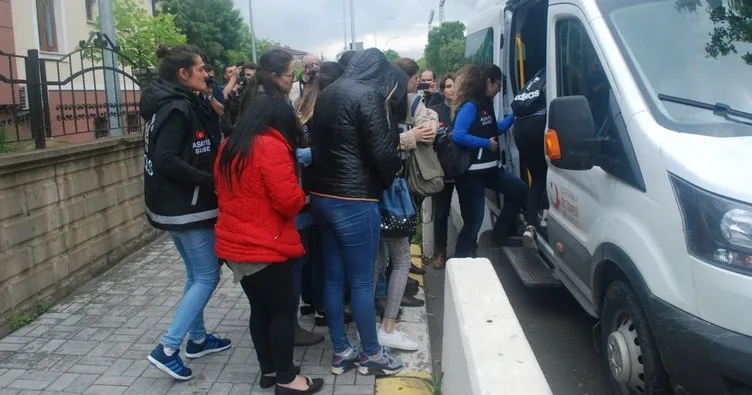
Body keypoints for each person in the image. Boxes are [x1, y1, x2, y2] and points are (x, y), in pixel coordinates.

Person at [214, 94, 324, 395]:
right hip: (264, 245)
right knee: (281, 311)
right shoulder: (271, 146)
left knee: (260, 310)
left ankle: (270, 371)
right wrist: (303, 195)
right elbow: (288, 202)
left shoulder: (229, 145)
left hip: (235, 245)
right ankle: (287, 380)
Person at [308, 48, 404, 376]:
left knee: (334, 276)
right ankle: (372, 355)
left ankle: (341, 351)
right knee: (362, 281)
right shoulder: (369, 95)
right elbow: (382, 151)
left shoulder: (329, 91)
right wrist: (392, 172)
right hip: (355, 199)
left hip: (321, 195)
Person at [140, 44, 231, 381]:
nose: (208, 73)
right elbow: (165, 159)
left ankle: (198, 340)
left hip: (176, 206)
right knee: (207, 276)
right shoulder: (176, 107)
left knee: (196, 275)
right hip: (186, 208)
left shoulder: (174, 101)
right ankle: (167, 347)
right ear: (183, 73)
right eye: (201, 68)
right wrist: (210, 181)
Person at [372, 57, 438, 352]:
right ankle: (387, 326)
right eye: (411, 81)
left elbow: (431, 126)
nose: (413, 87)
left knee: (378, 260)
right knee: (396, 259)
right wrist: (409, 136)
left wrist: (427, 124)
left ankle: (374, 323)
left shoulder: (400, 103)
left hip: (387, 190)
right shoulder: (378, 104)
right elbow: (378, 146)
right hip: (387, 192)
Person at [294, 61, 352, 328]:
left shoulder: (301, 106)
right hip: (322, 187)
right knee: (322, 255)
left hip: (303, 188)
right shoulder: (326, 109)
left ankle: (309, 301)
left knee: (308, 253)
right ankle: (322, 308)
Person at [452, 64, 529, 257]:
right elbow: (458, 135)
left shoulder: (486, 104)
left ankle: (499, 236)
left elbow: (494, 129)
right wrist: (486, 144)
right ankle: (463, 260)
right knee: (474, 221)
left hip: (489, 170)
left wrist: (515, 115)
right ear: (488, 82)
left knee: (519, 189)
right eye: (498, 83)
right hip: (471, 174)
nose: (500, 88)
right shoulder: (471, 106)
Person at [510, 67, 549, 248]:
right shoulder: (553, 71)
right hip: (538, 126)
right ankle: (546, 218)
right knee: (549, 173)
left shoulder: (534, 79)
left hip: (520, 130)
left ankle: (531, 225)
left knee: (538, 177)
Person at [429, 73, 457, 269]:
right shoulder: (434, 112)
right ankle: (440, 252)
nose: (452, 89)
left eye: (455, 85)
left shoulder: (466, 109)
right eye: (447, 86)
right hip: (441, 171)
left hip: (465, 171)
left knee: (470, 213)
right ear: (442, 89)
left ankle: (468, 250)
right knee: (440, 214)